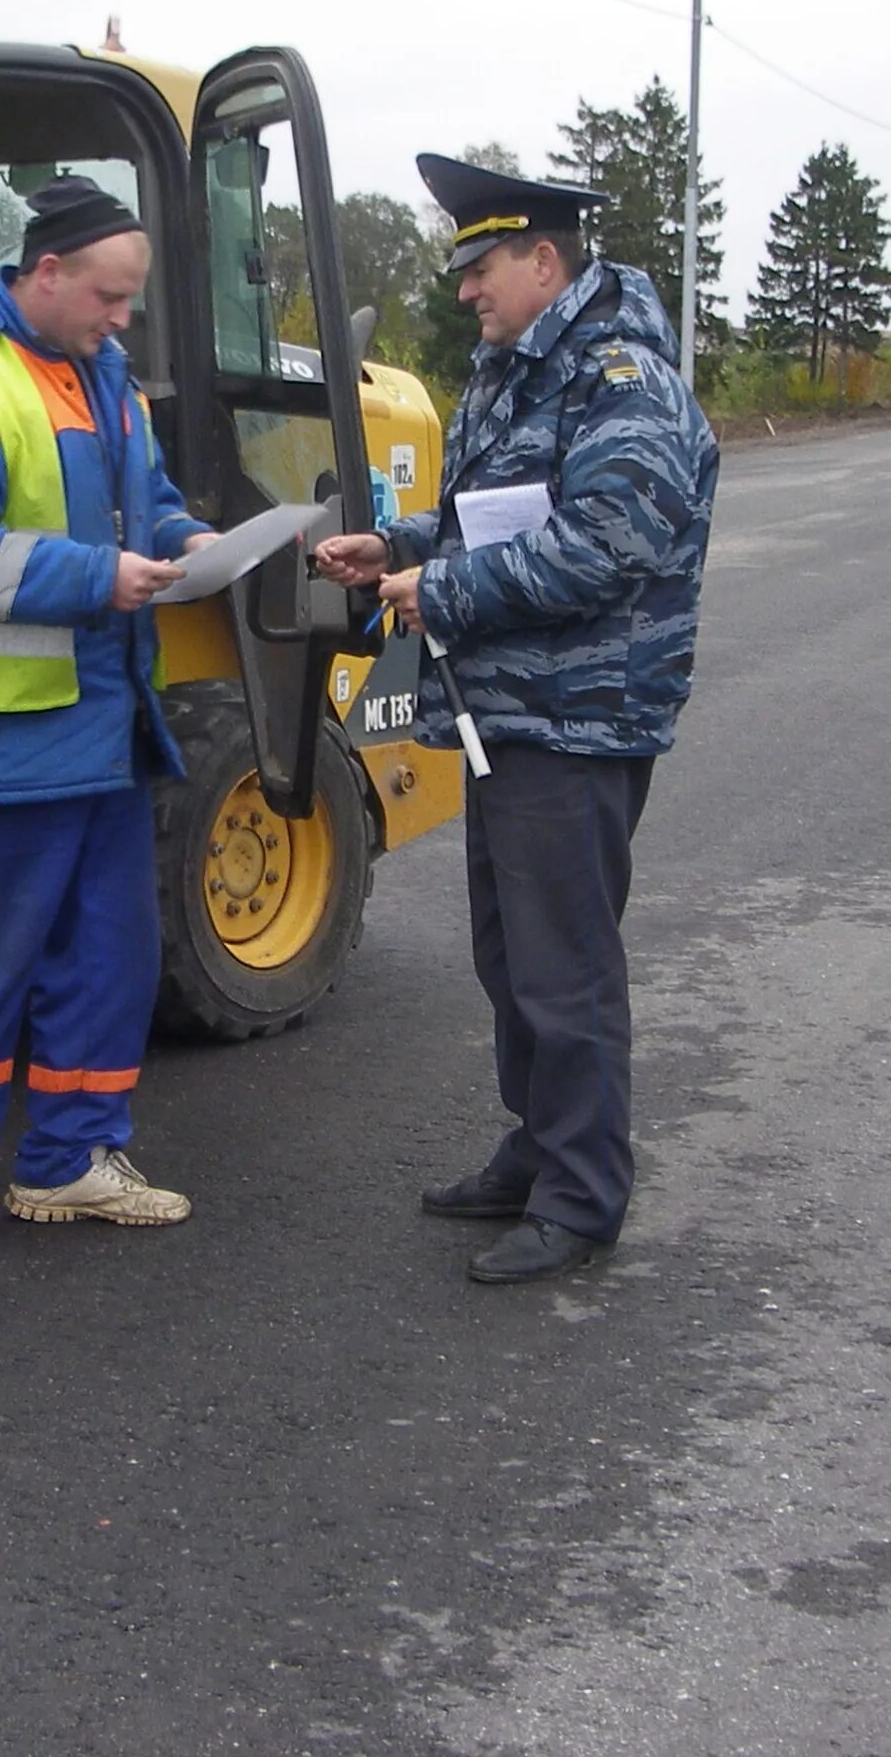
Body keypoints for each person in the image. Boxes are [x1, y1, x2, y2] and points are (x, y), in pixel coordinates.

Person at [314, 155, 718, 1284]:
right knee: (509, 954)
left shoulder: (617, 376)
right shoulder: (519, 366)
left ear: (545, 261)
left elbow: (605, 544)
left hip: (577, 713)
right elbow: (488, 522)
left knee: (561, 963)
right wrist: (394, 550)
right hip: (510, 710)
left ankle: (581, 1196)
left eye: (480, 266)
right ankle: (537, 1148)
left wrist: (433, 592)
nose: (462, 291)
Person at [0, 175, 216, 1262]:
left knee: (105, 958)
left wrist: (187, 537)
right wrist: (92, 576)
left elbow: (139, 504)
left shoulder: (105, 380)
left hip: (98, 731)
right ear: (46, 273)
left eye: (131, 303)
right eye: (108, 298)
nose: (122, 321)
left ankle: (71, 1159)